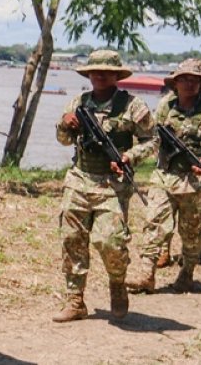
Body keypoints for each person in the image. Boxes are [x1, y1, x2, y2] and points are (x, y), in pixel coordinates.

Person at [52, 50, 155, 322]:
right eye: (95, 71)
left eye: (106, 71)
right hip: (79, 178)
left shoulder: (133, 105)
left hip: (113, 184)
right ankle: (75, 300)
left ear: (117, 75)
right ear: (88, 74)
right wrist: (64, 124)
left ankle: (117, 284)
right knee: (72, 240)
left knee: (110, 240)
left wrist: (129, 156)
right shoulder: (78, 102)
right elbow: (63, 140)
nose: (99, 75)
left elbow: (153, 141)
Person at [126, 58, 201, 293]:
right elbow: (154, 138)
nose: (188, 83)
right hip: (164, 175)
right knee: (154, 222)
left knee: (191, 231)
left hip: (195, 180)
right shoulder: (166, 105)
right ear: (175, 82)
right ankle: (146, 273)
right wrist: (132, 156)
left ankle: (186, 274)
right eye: (183, 79)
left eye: (193, 79)